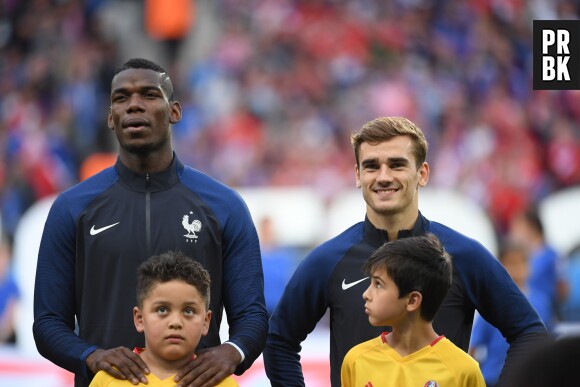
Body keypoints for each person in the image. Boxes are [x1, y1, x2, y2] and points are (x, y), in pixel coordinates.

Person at [33, 58, 268, 387]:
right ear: (110, 118)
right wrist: (91, 356)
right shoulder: (72, 208)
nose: (134, 106)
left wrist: (232, 351)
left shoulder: (224, 206)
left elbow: (253, 316)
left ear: (174, 112)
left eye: (148, 94)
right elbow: (47, 323)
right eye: (121, 98)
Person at [263, 116, 548, 387]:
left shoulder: (462, 256)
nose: (383, 176)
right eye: (372, 166)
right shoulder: (329, 260)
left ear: (422, 173)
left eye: (397, 164)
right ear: (358, 175)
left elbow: (529, 333)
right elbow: (279, 341)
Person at [342, 233, 485, 386]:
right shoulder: (356, 360)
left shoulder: (463, 371)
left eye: (378, 284)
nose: (366, 294)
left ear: (412, 300)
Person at [89, 251, 238, 386]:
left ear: (206, 322)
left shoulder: (223, 384)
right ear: (139, 318)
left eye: (188, 311)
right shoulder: (108, 380)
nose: (175, 323)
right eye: (162, 309)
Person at [469, 240, 552, 386]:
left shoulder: (541, 302)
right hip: (494, 378)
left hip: (528, 378)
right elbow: (474, 345)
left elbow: (546, 340)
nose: (517, 269)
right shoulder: (491, 303)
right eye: (511, 264)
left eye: (521, 263)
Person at [508, 206, 562, 321]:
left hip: (545, 314)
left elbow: (563, 288)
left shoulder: (550, 256)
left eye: (518, 227)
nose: (514, 233)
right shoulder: (524, 256)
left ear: (532, 228)